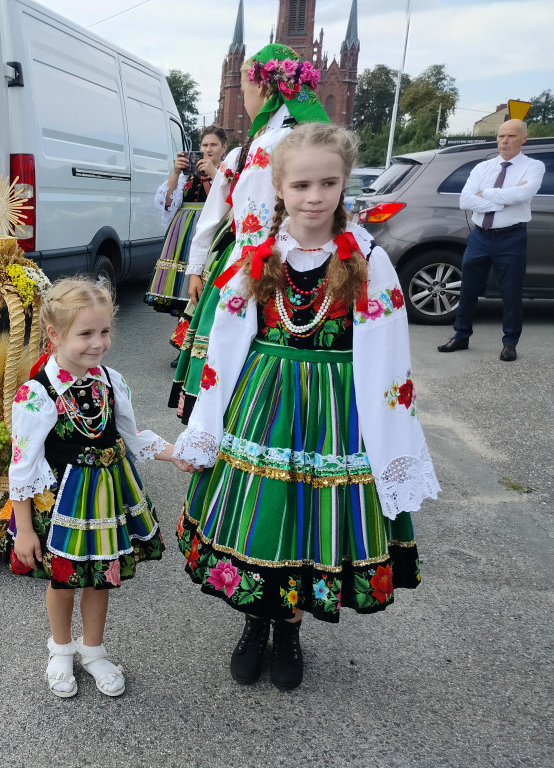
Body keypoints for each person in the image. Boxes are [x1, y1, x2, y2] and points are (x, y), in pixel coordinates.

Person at [173, 123, 440, 691]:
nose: (314, 196)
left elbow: (390, 357)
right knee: (261, 516)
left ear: (344, 185)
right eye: (300, 185)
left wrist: (388, 442)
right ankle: (254, 622)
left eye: (327, 183)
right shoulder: (259, 255)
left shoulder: (368, 259)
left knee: (307, 524)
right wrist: (205, 425)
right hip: (264, 399)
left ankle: (289, 631)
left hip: (335, 411)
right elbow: (223, 343)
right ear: (278, 188)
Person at [6, 278, 186, 698]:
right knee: (63, 578)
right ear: (54, 334)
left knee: (102, 576)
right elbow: (21, 466)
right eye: (85, 333)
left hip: (107, 497)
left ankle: (93, 650)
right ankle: (61, 650)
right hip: (64, 499)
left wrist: (173, 451)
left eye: (104, 331)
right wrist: (26, 529)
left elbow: (131, 436)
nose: (98, 343)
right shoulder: (37, 393)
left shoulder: (111, 380)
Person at [169, 44, 330, 423]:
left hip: (250, 266)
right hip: (314, 270)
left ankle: (225, 431)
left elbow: (212, 216)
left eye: (244, 89)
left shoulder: (253, 150)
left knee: (231, 361)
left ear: (264, 88)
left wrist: (196, 267)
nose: (243, 99)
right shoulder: (319, 139)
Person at [437, 119, 544, 362]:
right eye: (500, 136)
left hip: (511, 237)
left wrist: (485, 193)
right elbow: (465, 201)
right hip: (480, 236)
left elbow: (524, 194)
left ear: (524, 139)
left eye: (511, 136)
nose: (504, 141)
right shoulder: (482, 168)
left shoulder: (533, 167)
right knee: (468, 288)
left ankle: (510, 343)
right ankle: (461, 336)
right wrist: (504, 199)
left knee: (511, 292)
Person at [146, 125, 228, 319]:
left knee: (205, 286)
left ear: (224, 148)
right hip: (184, 233)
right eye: (204, 145)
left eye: (213, 145)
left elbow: (227, 200)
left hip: (210, 232)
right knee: (182, 289)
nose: (208, 149)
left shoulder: (227, 172)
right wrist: (176, 172)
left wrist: (213, 174)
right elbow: (166, 203)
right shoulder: (187, 175)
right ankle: (183, 330)